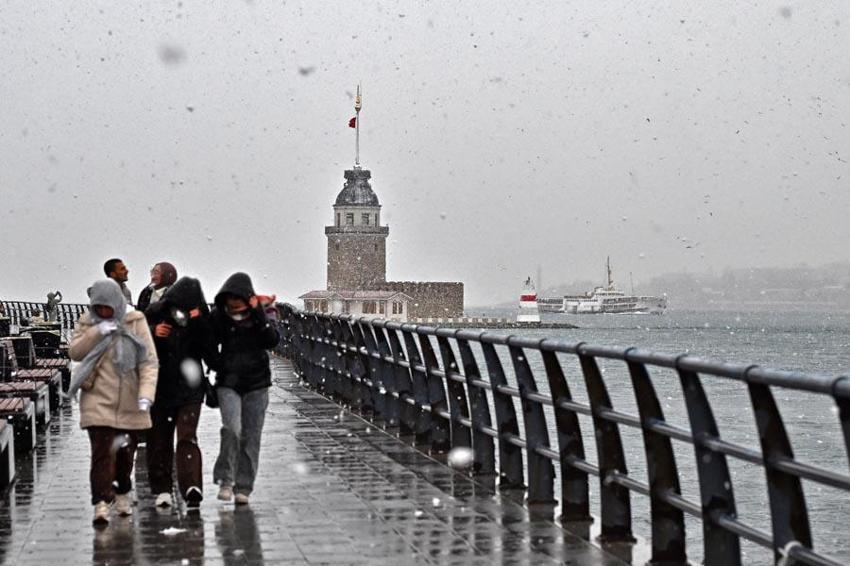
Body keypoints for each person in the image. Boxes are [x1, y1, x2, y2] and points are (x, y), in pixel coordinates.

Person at [68, 279, 158, 526]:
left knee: (125, 454)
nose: (105, 313)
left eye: (108, 308)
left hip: (130, 398)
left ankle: (121, 492)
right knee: (101, 452)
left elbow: (148, 361)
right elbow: (75, 352)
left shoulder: (135, 321)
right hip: (98, 398)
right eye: (100, 308)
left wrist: (146, 394)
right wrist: (97, 331)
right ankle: (100, 502)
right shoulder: (88, 322)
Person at [144, 277, 214, 510]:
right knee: (159, 439)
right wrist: (155, 332)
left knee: (187, 436)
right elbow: (136, 340)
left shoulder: (200, 318)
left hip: (190, 389)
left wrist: (200, 323)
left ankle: (192, 487)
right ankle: (162, 488)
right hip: (160, 386)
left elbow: (211, 352)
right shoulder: (155, 313)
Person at [210, 273, 279, 505]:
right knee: (232, 429)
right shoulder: (219, 316)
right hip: (228, 382)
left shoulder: (265, 312)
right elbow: (207, 341)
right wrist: (218, 364)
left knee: (251, 436)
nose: (234, 306)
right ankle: (226, 480)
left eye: (238, 301)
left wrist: (259, 312)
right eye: (230, 301)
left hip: (257, 382)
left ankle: (244, 487)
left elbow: (271, 339)